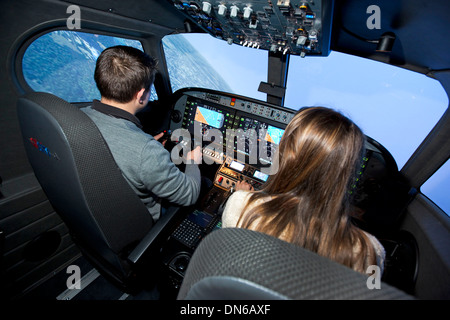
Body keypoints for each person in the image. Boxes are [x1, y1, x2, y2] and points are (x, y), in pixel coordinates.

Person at [222, 106, 385, 274]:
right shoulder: (370, 252)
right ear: (348, 173)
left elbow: (224, 261)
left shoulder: (241, 205)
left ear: (286, 154)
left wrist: (241, 193)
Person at [82, 45, 202, 222]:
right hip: (136, 223)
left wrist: (144, 146)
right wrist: (192, 161)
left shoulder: (80, 115)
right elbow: (189, 194)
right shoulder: (145, 152)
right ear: (141, 95)